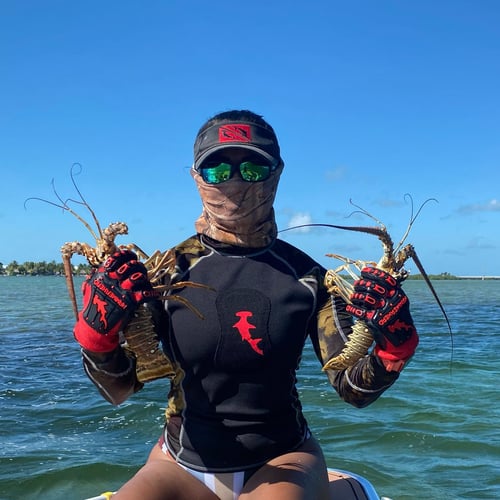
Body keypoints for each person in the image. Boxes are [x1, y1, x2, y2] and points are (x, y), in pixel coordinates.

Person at [73, 110, 419, 500]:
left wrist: (394, 349)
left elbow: (352, 387)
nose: (235, 181)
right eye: (217, 170)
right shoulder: (164, 274)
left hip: (285, 457)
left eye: (252, 168)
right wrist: (95, 337)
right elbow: (119, 389)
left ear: (277, 172)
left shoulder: (309, 278)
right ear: (195, 177)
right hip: (180, 461)